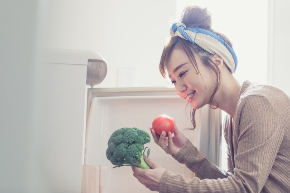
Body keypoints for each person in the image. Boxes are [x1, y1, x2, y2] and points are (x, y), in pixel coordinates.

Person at [131, 5, 290, 193]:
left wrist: (167, 183)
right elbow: (233, 183)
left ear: (216, 62)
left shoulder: (258, 102)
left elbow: (244, 188)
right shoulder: (232, 119)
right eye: (174, 81)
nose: (179, 88)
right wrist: (185, 153)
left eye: (182, 73)